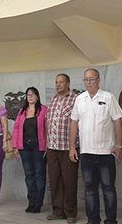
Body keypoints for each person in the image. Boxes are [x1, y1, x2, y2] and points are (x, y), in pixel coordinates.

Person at [69, 68, 122, 224]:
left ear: (98, 80)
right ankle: (93, 220)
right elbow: (74, 123)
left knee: (108, 188)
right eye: (86, 79)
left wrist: (119, 145)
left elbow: (118, 122)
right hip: (86, 152)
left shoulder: (108, 97)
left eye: (91, 79)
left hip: (106, 152)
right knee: (89, 189)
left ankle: (111, 220)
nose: (88, 82)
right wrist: (72, 146)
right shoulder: (80, 99)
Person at [46, 74, 79, 223]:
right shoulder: (54, 99)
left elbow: (78, 123)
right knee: (55, 180)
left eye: (61, 82)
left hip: (68, 147)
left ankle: (70, 212)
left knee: (70, 180)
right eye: (56, 82)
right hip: (52, 147)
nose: (58, 84)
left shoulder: (76, 99)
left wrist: (74, 146)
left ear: (68, 83)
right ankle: (58, 210)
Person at [12, 86, 47, 214]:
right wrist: (15, 146)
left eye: (32, 94)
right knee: (29, 176)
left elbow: (47, 129)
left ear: (37, 96)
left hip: (39, 147)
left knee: (39, 175)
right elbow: (16, 129)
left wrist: (48, 146)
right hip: (24, 148)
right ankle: (31, 202)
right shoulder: (22, 111)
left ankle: (38, 203)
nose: (30, 96)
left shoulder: (43, 110)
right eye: (28, 94)